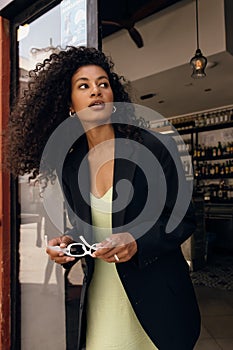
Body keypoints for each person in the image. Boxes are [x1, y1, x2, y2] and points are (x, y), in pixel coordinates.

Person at [7, 46, 201, 350]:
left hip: (157, 303)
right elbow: (88, 228)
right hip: (103, 302)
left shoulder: (151, 146)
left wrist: (137, 241)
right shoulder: (72, 165)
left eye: (103, 83)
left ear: (113, 98)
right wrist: (70, 244)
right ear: (70, 104)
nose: (95, 91)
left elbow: (185, 217)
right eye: (83, 86)